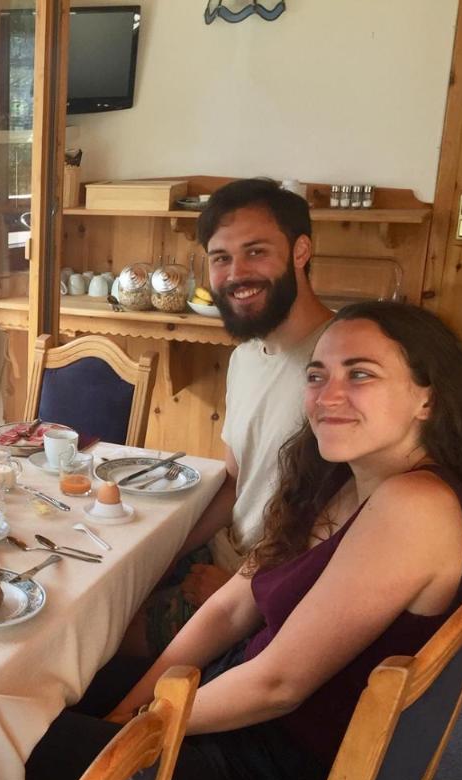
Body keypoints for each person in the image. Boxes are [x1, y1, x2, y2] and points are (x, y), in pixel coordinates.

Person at [24, 302, 462, 780]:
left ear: (428, 396)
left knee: (9, 750)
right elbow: (229, 608)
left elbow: (278, 683)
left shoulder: (415, 507)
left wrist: (139, 729)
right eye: (317, 375)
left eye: (361, 373)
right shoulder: (340, 483)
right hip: (238, 722)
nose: (329, 394)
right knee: (48, 686)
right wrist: (132, 710)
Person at [127, 178, 335, 656]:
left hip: (267, 592)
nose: (236, 272)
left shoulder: (338, 365)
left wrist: (244, 591)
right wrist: (168, 552)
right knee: (99, 586)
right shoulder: (246, 356)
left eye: (256, 252)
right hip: (227, 556)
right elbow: (235, 482)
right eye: (221, 258)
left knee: (102, 636)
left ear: (301, 251)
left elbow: (339, 533)